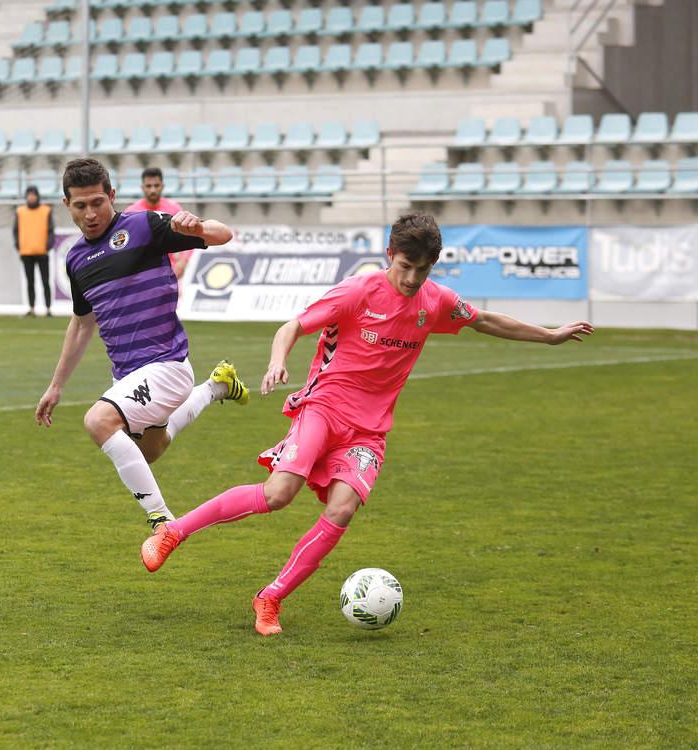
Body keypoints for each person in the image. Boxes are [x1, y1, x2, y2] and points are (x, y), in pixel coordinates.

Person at [139, 212, 595, 637]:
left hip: (369, 431)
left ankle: (270, 598)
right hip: (324, 408)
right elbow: (291, 327)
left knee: (341, 510)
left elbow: (487, 320)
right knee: (278, 495)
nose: (413, 278)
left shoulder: (436, 302)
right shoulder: (359, 291)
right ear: (388, 254)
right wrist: (278, 362)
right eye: (405, 266)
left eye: (424, 269)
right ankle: (174, 531)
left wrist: (549, 335)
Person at [35, 158, 249, 537]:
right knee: (151, 450)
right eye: (80, 205)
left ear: (112, 196)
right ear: (67, 205)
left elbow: (223, 234)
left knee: (99, 420)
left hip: (167, 365)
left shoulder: (144, 226)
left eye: (98, 202)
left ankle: (162, 521)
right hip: (128, 375)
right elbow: (83, 323)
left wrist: (194, 225)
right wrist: (56, 384)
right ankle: (217, 386)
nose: (90, 213)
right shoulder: (76, 260)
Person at [126, 167, 193, 282]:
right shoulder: (131, 212)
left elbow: (189, 235)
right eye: (148, 186)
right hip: (141, 274)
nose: (153, 190)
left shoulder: (174, 209)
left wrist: (183, 261)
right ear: (142, 187)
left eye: (156, 186)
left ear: (162, 186)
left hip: (169, 273)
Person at [13, 185, 54, 317]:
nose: (31, 197)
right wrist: (18, 244)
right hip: (26, 252)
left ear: (37, 196)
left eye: (33, 195)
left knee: (45, 281)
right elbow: (15, 230)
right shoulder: (20, 211)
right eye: (29, 195)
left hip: (42, 252)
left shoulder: (46, 210)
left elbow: (51, 230)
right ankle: (31, 308)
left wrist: (49, 245)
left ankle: (48, 308)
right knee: (30, 282)